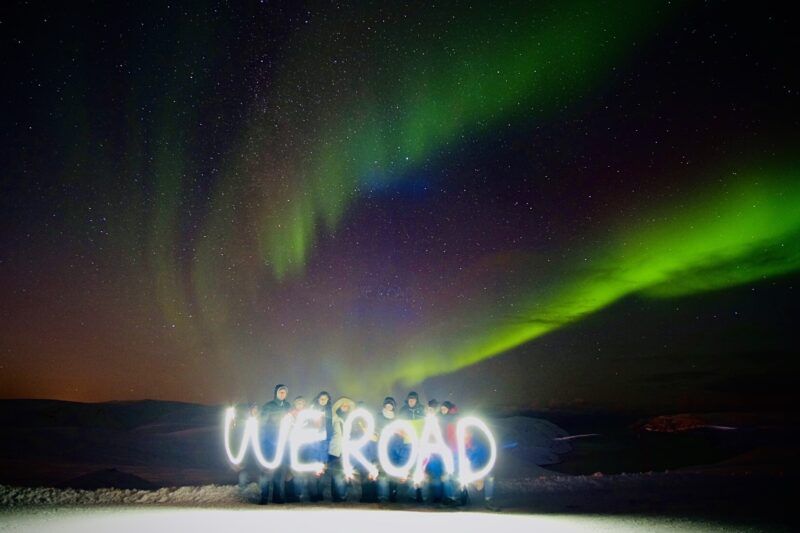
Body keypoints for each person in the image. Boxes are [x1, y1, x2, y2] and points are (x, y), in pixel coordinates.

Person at [259, 384, 291, 504]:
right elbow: (261, 424)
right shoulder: (268, 406)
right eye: (280, 392)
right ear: (276, 393)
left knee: (280, 472)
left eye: (284, 392)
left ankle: (277, 498)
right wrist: (262, 442)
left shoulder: (288, 406)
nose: (282, 394)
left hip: (283, 444)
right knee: (267, 471)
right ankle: (264, 498)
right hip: (269, 443)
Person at [328, 396, 355, 501]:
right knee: (336, 474)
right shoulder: (334, 418)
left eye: (347, 406)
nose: (345, 407)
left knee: (343, 474)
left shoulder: (351, 420)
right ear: (339, 406)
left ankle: (340, 496)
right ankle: (339, 496)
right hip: (334, 450)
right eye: (343, 405)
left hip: (346, 451)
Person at [308, 391, 332, 501]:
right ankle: (313, 495)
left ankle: (320, 494)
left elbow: (329, 426)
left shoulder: (329, 411)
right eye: (321, 398)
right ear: (318, 399)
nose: (323, 400)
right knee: (313, 469)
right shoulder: (312, 409)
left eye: (325, 399)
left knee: (322, 469)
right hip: (313, 441)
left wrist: (329, 438)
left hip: (324, 442)